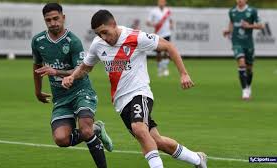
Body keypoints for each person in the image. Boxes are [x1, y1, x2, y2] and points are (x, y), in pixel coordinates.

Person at [62, 10, 207, 168]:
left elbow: (169, 46)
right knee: (156, 141)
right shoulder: (98, 45)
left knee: (139, 129)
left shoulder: (135, 37)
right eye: (99, 34)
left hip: (140, 93)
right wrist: (72, 76)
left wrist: (184, 74)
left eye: (105, 32)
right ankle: (198, 159)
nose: (103, 37)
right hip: (121, 102)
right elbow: (85, 67)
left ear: (113, 25)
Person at [31, 3, 113, 168]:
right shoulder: (38, 41)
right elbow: (37, 67)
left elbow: (80, 71)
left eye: (56, 18)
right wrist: (38, 91)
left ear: (63, 17)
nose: (53, 23)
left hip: (81, 91)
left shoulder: (73, 41)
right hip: (61, 97)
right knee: (61, 139)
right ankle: (97, 129)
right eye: (48, 20)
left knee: (85, 130)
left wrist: (57, 72)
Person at [223, 0, 264, 100]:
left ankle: (248, 86)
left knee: (249, 68)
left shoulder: (252, 11)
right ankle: (245, 90)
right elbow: (232, 23)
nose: (239, 0)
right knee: (241, 63)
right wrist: (228, 31)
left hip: (248, 43)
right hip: (237, 42)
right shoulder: (232, 11)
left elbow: (261, 25)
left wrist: (249, 26)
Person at [146, 0, 173, 77]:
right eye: (160, 2)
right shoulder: (153, 11)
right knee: (158, 52)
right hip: (158, 34)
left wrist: (171, 25)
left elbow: (170, 20)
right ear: (158, 3)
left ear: (165, 3)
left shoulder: (167, 11)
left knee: (166, 51)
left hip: (167, 33)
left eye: (163, 2)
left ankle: (165, 68)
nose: (161, 3)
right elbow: (148, 22)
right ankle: (159, 69)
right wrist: (154, 24)